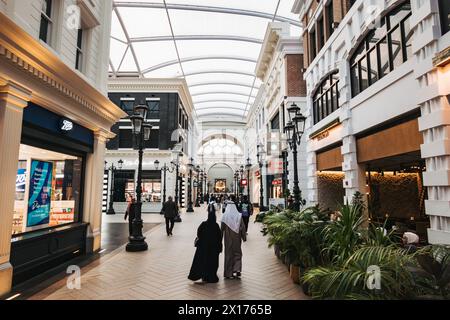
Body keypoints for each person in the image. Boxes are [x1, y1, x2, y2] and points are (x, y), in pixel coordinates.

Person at [188, 202, 223, 283]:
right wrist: (219, 247)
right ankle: (212, 276)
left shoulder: (203, 225)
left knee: (205, 261)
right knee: (213, 262)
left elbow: (198, 233)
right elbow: (219, 237)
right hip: (213, 248)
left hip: (204, 247)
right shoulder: (216, 226)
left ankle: (204, 275)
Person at [221, 195, 247, 279]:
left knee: (228, 254)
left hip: (228, 239)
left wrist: (220, 238)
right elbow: (243, 227)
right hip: (237, 237)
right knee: (237, 252)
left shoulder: (225, 216)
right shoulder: (239, 216)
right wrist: (244, 237)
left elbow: (222, 228)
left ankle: (228, 273)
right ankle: (237, 269)